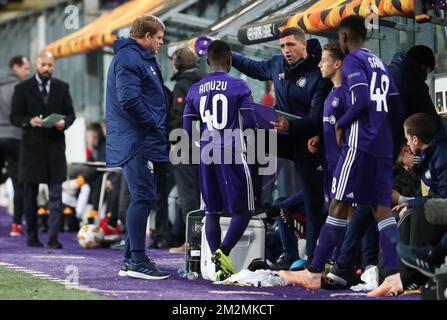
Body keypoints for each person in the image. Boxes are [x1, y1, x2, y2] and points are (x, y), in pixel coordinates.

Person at [279, 15, 405, 297]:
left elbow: (360, 102)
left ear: (344, 37)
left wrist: (340, 123)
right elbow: (397, 108)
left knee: (338, 205)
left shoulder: (352, 60)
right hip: (382, 145)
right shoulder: (380, 63)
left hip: (361, 144)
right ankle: (395, 276)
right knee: (381, 210)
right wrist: (394, 144)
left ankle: (313, 272)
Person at [231, 27, 332, 265]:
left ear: (303, 44)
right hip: (283, 136)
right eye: (283, 46)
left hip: (309, 142)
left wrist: (291, 127)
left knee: (313, 203)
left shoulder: (318, 74)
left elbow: (318, 117)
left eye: (291, 45)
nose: (286, 50)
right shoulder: (277, 64)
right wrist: (229, 54)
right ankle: (253, 202)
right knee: (251, 140)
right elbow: (254, 68)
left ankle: (312, 259)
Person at [183, 39, 258, 281]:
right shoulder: (239, 85)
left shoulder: (194, 89)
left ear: (208, 61)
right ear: (229, 61)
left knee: (211, 211)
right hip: (233, 151)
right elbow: (251, 123)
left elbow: (186, 129)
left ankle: (217, 263)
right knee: (245, 210)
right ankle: (222, 255)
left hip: (206, 153)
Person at [106, 14, 170, 280]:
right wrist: (154, 123)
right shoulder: (130, 58)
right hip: (136, 139)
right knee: (143, 196)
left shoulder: (137, 57)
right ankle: (137, 260)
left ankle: (130, 258)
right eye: (158, 38)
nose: (160, 43)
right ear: (146, 37)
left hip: (140, 138)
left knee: (140, 196)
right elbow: (129, 100)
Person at [10, 51, 75, 248]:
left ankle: (53, 237)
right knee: (30, 195)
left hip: (55, 148)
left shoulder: (62, 87)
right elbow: (14, 117)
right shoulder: (22, 88)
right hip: (31, 149)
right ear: (37, 64)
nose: (47, 68)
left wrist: (64, 123)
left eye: (50, 65)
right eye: (43, 65)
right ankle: (32, 235)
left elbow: (71, 114)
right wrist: (29, 121)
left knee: (56, 195)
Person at [395, 113, 447, 277]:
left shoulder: (441, 156)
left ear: (416, 140)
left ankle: (431, 257)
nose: (407, 144)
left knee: (421, 212)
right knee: (414, 211)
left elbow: (444, 200)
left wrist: (412, 203)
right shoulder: (428, 155)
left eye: (408, 139)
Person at [168, 47, 205, 253]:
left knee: (188, 194)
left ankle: (192, 242)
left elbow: (181, 118)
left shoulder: (183, 85)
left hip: (187, 146)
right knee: (204, 194)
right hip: (211, 147)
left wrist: (175, 143)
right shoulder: (206, 81)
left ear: (177, 64)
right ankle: (204, 241)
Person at [0, 55, 30, 236]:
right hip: (16, 138)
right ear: (15, 67)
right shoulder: (20, 88)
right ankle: (16, 225)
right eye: (25, 68)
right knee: (19, 183)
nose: (28, 72)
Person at [389, 45, 444, 130]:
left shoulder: (386, 72)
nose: (425, 78)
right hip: (401, 138)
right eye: (427, 71)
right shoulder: (415, 83)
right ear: (422, 66)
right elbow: (431, 118)